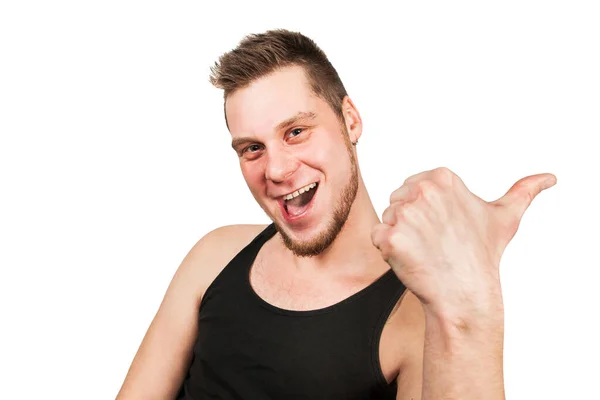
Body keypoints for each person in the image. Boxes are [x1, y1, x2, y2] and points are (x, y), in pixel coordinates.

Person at [116, 29, 556, 400]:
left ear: (350, 120)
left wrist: (472, 298)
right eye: (252, 148)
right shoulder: (215, 256)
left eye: (296, 132)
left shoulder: (415, 314)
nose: (276, 169)